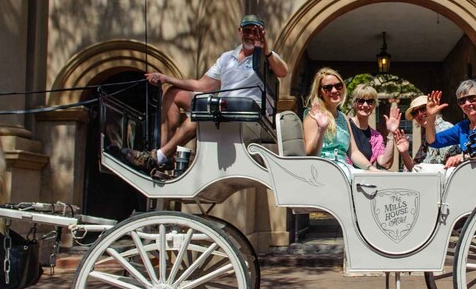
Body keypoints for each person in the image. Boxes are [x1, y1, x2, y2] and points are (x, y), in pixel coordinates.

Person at [122, 14, 288, 173]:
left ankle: (156, 157)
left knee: (201, 116)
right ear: (240, 31)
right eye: (247, 30)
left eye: (255, 31)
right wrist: (167, 78)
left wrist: (265, 49)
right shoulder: (227, 58)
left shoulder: (267, 57)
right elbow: (202, 85)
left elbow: (283, 72)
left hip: (249, 112)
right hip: (224, 107)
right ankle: (164, 155)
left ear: (263, 34)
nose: (250, 35)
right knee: (173, 93)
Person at [302, 68, 375, 173]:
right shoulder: (313, 115)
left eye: (338, 86)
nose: (334, 90)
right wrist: (321, 130)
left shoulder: (343, 117)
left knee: (380, 178)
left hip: (343, 168)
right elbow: (310, 155)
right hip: (323, 170)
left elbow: (353, 152)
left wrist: (373, 169)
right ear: (320, 92)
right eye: (328, 88)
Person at [422, 79, 476, 168]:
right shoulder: (462, 127)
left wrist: (463, 157)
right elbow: (433, 141)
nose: (467, 103)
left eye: (472, 98)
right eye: (462, 101)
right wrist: (430, 117)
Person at [396, 94, 460, 171]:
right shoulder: (427, 135)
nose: (419, 114)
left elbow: (451, 167)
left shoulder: (444, 129)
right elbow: (415, 168)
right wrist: (405, 153)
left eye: (423, 109)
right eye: (415, 113)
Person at [347, 84, 401, 170]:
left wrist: (391, 133)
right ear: (354, 103)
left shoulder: (376, 137)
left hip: (363, 180)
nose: (365, 105)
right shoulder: (344, 125)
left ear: (374, 105)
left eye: (370, 102)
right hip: (343, 177)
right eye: (360, 101)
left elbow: (385, 163)